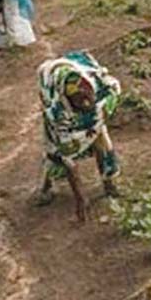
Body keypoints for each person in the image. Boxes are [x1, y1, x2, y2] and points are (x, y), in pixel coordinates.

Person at [36, 51, 122, 222]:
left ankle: (109, 184)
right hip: (53, 86)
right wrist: (80, 199)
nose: (85, 103)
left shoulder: (100, 86)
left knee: (103, 143)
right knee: (55, 153)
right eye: (80, 102)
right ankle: (46, 188)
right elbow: (69, 161)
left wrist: (101, 114)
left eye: (88, 99)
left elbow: (112, 95)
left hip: (81, 83)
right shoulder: (58, 113)